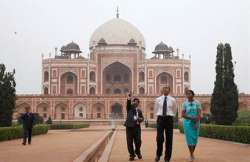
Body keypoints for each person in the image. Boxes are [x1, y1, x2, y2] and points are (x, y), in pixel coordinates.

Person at [154, 86, 177, 162]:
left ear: (169, 90)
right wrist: (158, 117)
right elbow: (156, 109)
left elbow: (174, 110)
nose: (165, 90)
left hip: (169, 119)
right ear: (162, 90)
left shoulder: (173, 100)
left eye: (167, 89)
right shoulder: (158, 99)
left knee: (169, 139)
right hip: (160, 118)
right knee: (159, 138)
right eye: (164, 89)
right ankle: (158, 154)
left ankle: (167, 158)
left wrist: (170, 116)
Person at [181, 90, 201, 162]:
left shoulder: (197, 103)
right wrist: (191, 118)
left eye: (189, 93)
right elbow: (182, 114)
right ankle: (191, 154)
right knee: (189, 139)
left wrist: (196, 121)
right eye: (187, 94)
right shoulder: (184, 104)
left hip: (196, 122)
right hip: (187, 123)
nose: (188, 95)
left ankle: (192, 153)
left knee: (195, 139)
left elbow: (199, 114)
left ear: (193, 94)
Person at [124, 92, 144, 161]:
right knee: (129, 142)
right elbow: (128, 104)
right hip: (129, 127)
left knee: (138, 141)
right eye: (134, 102)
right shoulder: (129, 108)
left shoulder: (139, 111)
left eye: (137, 102)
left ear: (138, 103)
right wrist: (129, 98)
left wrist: (140, 119)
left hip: (137, 127)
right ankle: (132, 155)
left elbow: (142, 118)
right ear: (132, 103)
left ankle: (137, 151)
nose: (135, 103)